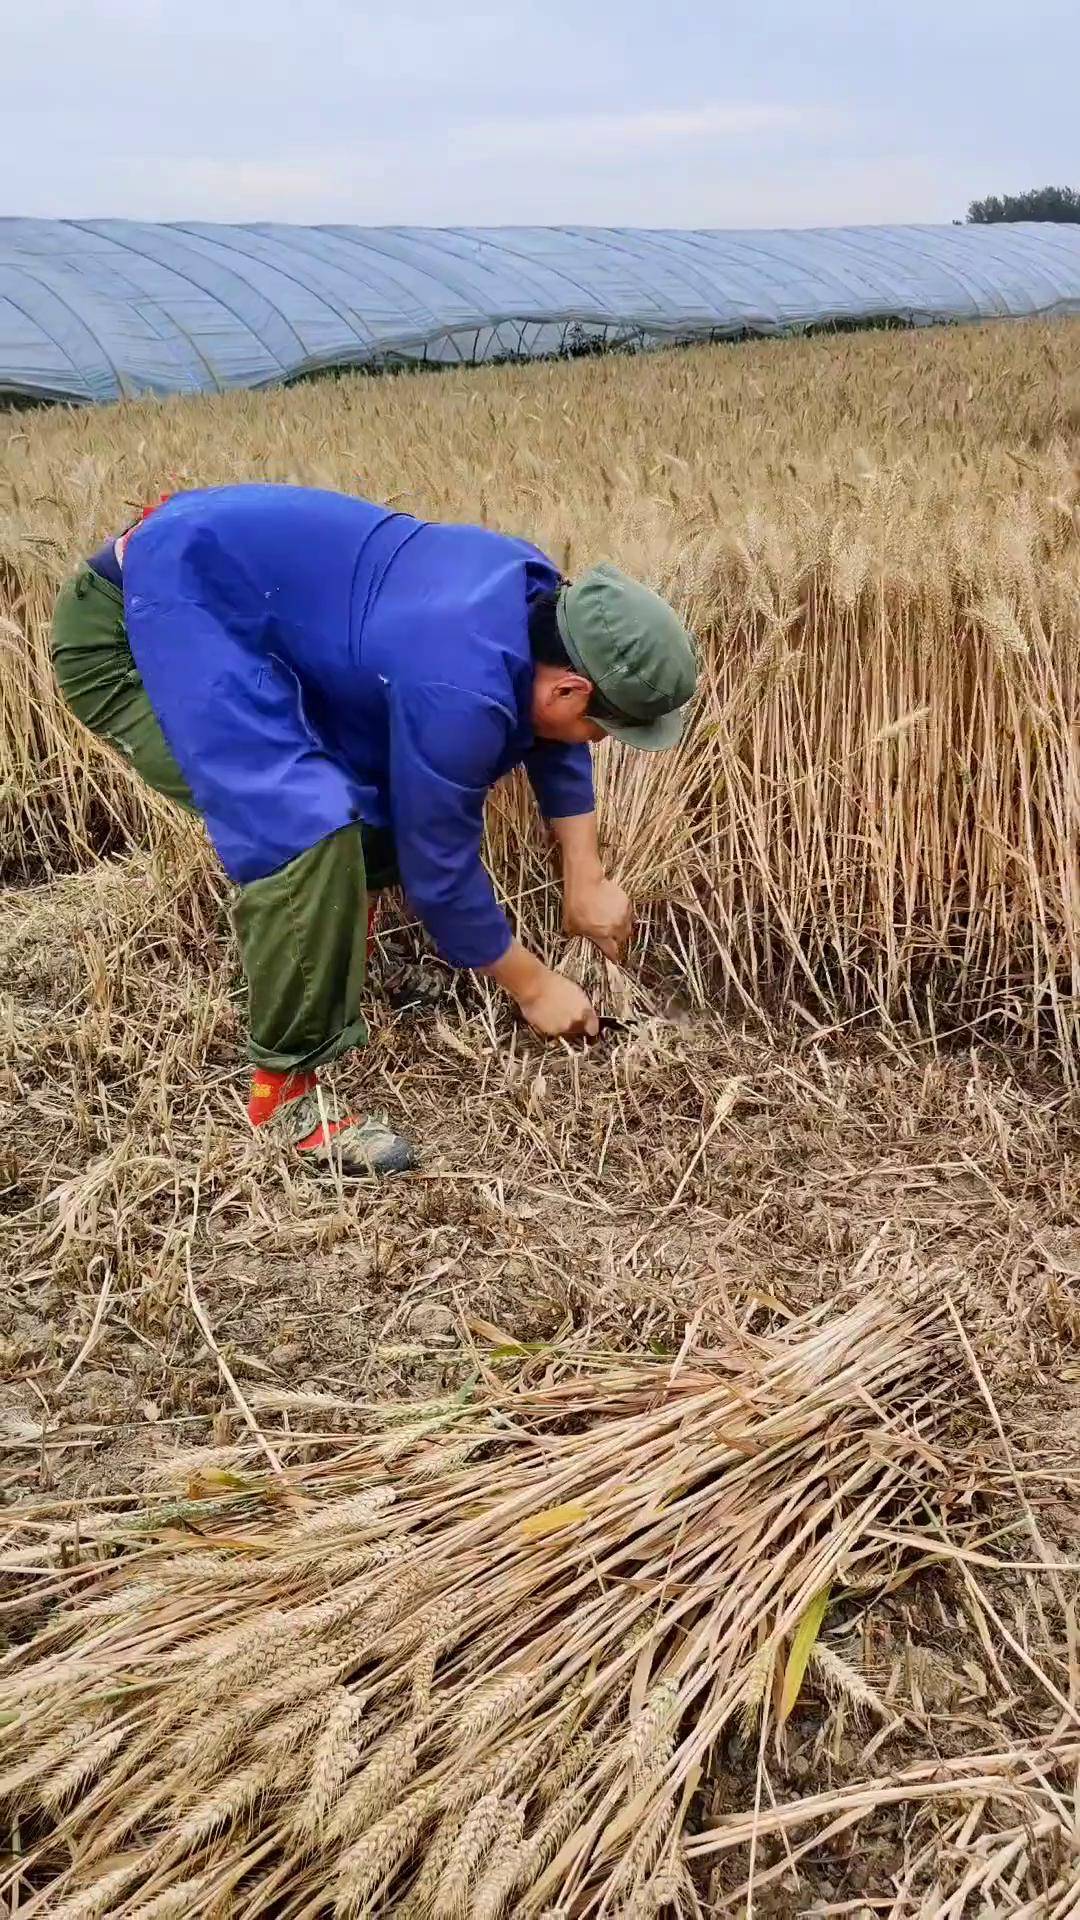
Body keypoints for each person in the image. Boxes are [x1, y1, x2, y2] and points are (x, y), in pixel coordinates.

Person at [51, 485, 697, 1175]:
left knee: (371, 811)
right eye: (602, 727)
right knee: (308, 826)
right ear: (570, 689)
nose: (596, 743)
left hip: (230, 618)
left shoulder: (534, 599)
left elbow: (551, 730)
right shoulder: (460, 686)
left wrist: (585, 871)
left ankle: (321, 974)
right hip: (133, 635)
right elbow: (439, 870)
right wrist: (535, 987)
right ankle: (286, 1097)